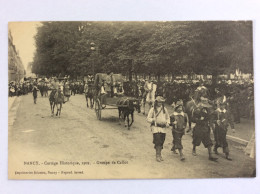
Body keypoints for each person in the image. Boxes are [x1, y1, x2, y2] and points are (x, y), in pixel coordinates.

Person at [147, 96, 170, 162]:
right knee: (158, 141)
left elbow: (168, 117)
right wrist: (153, 120)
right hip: (156, 128)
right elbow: (148, 118)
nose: (160, 103)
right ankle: (158, 155)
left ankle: (160, 154)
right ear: (156, 102)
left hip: (163, 128)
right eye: (159, 102)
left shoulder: (164, 109)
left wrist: (168, 123)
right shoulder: (153, 109)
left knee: (162, 141)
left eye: (161, 102)